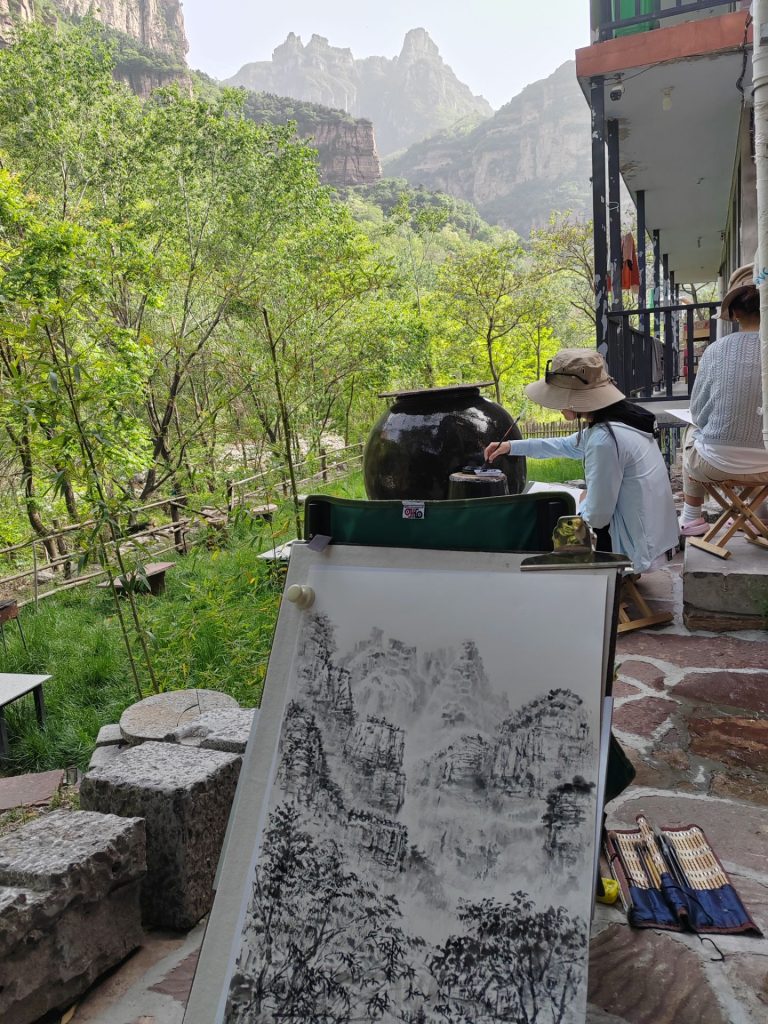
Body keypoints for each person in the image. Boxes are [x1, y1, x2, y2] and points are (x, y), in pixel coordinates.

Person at [484, 348, 679, 572]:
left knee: (547, 524)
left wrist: (583, 502)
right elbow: (566, 445)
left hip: (633, 548)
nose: (558, 406)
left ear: (575, 399)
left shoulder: (604, 439)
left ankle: (596, 581)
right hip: (654, 537)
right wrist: (511, 447)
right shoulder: (622, 420)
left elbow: (597, 518)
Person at [678, 264, 768, 536]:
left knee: (691, 431)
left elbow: (698, 412)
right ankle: (756, 514)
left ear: (735, 313)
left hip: (715, 465)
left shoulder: (716, 351)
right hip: (766, 467)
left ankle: (692, 517)